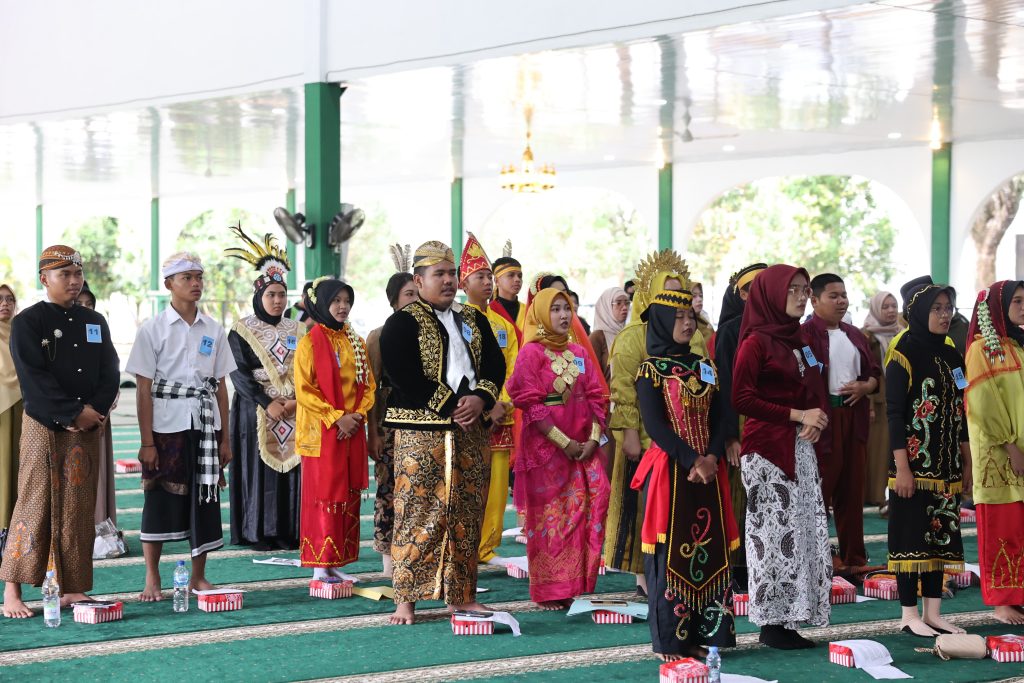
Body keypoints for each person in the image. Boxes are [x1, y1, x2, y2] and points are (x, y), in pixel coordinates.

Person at [380, 240, 505, 625]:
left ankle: (462, 595)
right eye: (440, 274)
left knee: (466, 514)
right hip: (423, 431)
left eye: (452, 274)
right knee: (418, 512)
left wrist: (481, 399)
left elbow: (496, 366)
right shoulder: (402, 322)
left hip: (471, 429)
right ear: (418, 281)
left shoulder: (474, 318)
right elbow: (401, 374)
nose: (449, 281)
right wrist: (452, 404)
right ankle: (406, 599)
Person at [2, 246, 120, 618]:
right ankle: (12, 591)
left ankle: (73, 588)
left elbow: (110, 371)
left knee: (79, 507)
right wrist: (71, 412)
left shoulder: (94, 321)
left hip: (87, 425)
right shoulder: (29, 322)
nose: (73, 281)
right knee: (33, 503)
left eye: (77, 274)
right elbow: (32, 378)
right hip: (43, 425)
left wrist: (94, 411)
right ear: (44, 279)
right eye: (64, 275)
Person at [633, 289, 738, 661]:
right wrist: (693, 459)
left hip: (708, 472)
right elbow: (655, 426)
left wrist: (710, 457)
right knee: (668, 556)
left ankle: (706, 634)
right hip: (673, 472)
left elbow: (724, 416)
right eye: (677, 317)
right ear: (661, 321)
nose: (687, 322)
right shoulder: (651, 370)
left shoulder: (705, 366)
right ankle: (670, 641)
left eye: (689, 316)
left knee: (709, 550)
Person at [732, 264, 831, 649]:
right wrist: (796, 415)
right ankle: (772, 625)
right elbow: (741, 398)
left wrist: (817, 417)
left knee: (801, 532)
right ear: (772, 293)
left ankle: (792, 618)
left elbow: (813, 385)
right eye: (793, 289)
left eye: (805, 289)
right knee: (772, 537)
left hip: (800, 447)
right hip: (768, 451)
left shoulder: (798, 340)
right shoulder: (755, 342)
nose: (802, 296)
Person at [127, 252, 235, 601]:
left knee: (205, 500)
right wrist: (147, 441)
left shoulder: (214, 330)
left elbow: (220, 388)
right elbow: (143, 389)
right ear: (168, 284)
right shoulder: (152, 329)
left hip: (203, 427)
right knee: (158, 500)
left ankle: (198, 577)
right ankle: (152, 578)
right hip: (165, 426)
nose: (195, 284)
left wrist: (225, 439)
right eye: (187, 277)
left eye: (199, 277)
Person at [506, 288, 609, 609]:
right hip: (547, 449)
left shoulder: (578, 352)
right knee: (552, 519)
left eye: (567, 309)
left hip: (583, 445)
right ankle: (551, 590)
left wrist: (592, 439)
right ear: (539, 315)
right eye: (556, 310)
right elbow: (531, 404)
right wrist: (564, 443)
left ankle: (577, 582)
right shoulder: (531, 354)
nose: (564, 315)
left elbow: (596, 395)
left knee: (592, 504)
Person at [603, 249, 696, 596]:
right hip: (644, 434)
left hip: (687, 435)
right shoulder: (632, 338)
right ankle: (644, 576)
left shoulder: (694, 334)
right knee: (643, 507)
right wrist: (628, 433)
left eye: (679, 289)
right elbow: (622, 388)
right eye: (666, 290)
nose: (675, 297)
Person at [884, 276, 969, 637]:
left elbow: (961, 409)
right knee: (910, 539)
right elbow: (894, 413)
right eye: (936, 308)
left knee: (940, 537)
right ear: (918, 310)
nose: (944, 314)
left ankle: (932, 613)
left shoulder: (951, 352)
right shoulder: (902, 352)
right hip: (913, 468)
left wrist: (965, 461)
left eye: (948, 308)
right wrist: (902, 468)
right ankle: (908, 614)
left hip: (946, 467)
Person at [225, 226, 303, 550]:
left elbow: (305, 369)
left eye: (281, 295)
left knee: (292, 471)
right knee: (258, 471)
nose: (276, 300)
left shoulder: (296, 328)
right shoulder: (242, 329)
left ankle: (289, 530)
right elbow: (238, 372)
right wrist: (264, 401)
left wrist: (295, 401)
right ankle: (259, 532)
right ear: (259, 296)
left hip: (293, 409)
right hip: (254, 409)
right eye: (270, 295)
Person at [294, 277, 374, 579]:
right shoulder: (309, 342)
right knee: (324, 496)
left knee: (346, 496)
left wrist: (356, 416)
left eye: (346, 300)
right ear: (322, 303)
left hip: (350, 429)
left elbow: (368, 386)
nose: (343, 307)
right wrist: (336, 417)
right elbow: (305, 389)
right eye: (336, 301)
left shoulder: (355, 340)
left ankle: (335, 561)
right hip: (321, 433)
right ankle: (319, 565)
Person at [802, 274, 880, 578]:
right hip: (823, 421)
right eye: (833, 296)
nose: (841, 301)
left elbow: (874, 373)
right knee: (821, 490)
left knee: (852, 488)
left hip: (854, 417)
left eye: (844, 295)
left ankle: (855, 558)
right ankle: (818, 559)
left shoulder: (855, 334)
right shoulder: (804, 335)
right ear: (815, 299)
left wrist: (866, 386)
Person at [965, 280, 1024, 624]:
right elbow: (984, 405)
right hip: (1000, 456)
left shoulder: (1017, 345)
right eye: (1016, 301)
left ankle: (1019, 596)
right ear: (998, 308)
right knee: (1001, 529)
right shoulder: (981, 350)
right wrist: (1011, 446)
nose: (1022, 307)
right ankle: (1002, 601)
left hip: (1021, 453)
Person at [458, 234, 519, 566]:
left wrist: (502, 402)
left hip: (501, 414)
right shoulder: (456, 320)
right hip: (470, 414)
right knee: (469, 481)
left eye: (488, 277)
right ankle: (466, 546)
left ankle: (486, 546)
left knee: (496, 484)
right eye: (479, 277)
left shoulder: (502, 325)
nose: (486, 283)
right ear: (463, 282)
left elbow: (512, 365)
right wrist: (481, 403)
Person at [713, 263, 766, 591]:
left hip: (776, 425)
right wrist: (730, 434)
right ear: (743, 294)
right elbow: (726, 383)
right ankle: (737, 569)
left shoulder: (783, 328)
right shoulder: (732, 331)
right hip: (744, 427)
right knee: (739, 497)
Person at [366, 246, 418, 577]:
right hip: (390, 426)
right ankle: (388, 558)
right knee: (389, 491)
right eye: (408, 294)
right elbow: (369, 390)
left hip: (424, 425)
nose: (415, 298)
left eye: (417, 292)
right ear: (394, 300)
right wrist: (374, 433)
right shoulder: (379, 336)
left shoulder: (432, 333)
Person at [76, 284, 119, 534]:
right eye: (78, 304)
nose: (84, 309)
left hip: (98, 413)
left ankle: (100, 530)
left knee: (98, 470)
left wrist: (97, 408)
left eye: (88, 304)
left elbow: (110, 369)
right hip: (67, 415)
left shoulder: (97, 327)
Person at [862, 291, 901, 511]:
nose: (890, 311)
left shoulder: (903, 333)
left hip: (899, 399)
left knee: (894, 451)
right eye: (885, 307)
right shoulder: (867, 336)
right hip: (878, 401)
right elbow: (864, 370)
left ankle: (890, 496)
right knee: (878, 450)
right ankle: (874, 496)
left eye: (893, 306)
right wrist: (868, 402)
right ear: (876, 308)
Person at [0, 285, 21, 555]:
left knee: (15, 467)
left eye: (9, 299)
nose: (5, 304)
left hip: (21, 407)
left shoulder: (20, 334)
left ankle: (14, 530)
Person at [588, 286, 629, 381]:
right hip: (606, 394)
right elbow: (592, 375)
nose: (624, 308)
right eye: (618, 303)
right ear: (606, 307)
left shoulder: (628, 334)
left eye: (626, 303)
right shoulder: (597, 337)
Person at [490, 247, 526, 341]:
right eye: (511, 275)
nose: (517, 279)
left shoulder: (529, 311)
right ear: (496, 281)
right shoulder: (489, 311)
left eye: (520, 276)